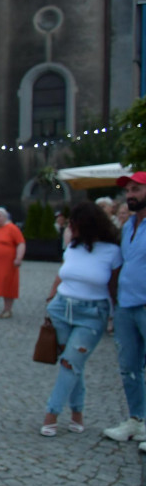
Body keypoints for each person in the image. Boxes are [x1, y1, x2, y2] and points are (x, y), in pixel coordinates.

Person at [40, 202, 122, 437]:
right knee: (72, 363)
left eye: (74, 223)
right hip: (62, 309)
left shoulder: (112, 252)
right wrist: (51, 297)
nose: (69, 227)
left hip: (92, 314)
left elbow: (113, 286)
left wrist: (115, 317)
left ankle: (51, 413)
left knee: (70, 363)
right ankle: (77, 413)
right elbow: (63, 274)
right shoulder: (73, 247)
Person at [103, 172, 146, 447]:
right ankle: (137, 419)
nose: (130, 195)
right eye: (128, 190)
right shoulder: (129, 225)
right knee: (129, 367)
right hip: (126, 305)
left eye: (136, 189)